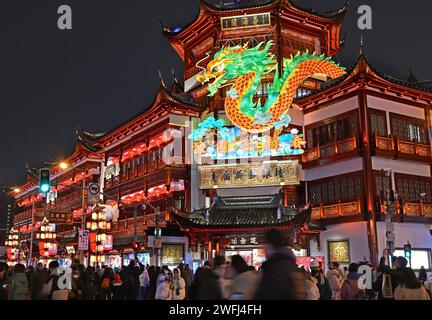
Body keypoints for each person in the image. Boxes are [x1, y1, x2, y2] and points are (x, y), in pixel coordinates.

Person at [253, 229, 307, 300]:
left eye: (264, 244)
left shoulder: (274, 268)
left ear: (270, 245)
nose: (263, 248)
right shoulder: (291, 266)